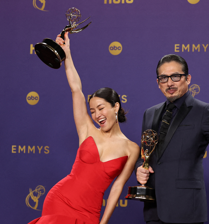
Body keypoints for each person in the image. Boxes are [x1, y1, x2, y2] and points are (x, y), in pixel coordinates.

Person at [29, 33, 139, 224]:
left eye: (101, 108)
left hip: (90, 211)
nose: (97, 115)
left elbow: (117, 187)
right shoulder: (87, 129)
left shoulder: (132, 149)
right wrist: (67, 54)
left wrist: (103, 223)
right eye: (93, 111)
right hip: (60, 200)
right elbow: (76, 90)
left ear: (116, 106)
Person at [135, 54, 209, 224]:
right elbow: (145, 154)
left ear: (187, 79)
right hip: (154, 207)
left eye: (175, 76)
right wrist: (140, 168)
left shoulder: (204, 111)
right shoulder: (150, 113)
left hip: (186, 208)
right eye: (163, 78)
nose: (169, 83)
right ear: (158, 82)